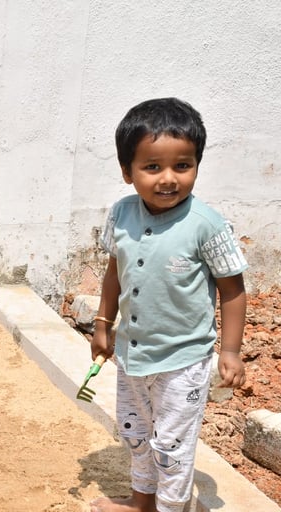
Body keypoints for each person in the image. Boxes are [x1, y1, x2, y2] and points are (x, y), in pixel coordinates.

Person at [89, 98, 247, 512]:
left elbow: (232, 289)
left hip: (183, 362)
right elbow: (114, 272)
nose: (168, 179)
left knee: (172, 447)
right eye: (152, 167)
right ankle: (141, 501)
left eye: (182, 165)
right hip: (132, 355)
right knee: (137, 434)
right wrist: (103, 324)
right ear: (127, 171)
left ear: (197, 164)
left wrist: (230, 351)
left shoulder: (206, 225)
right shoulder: (122, 215)